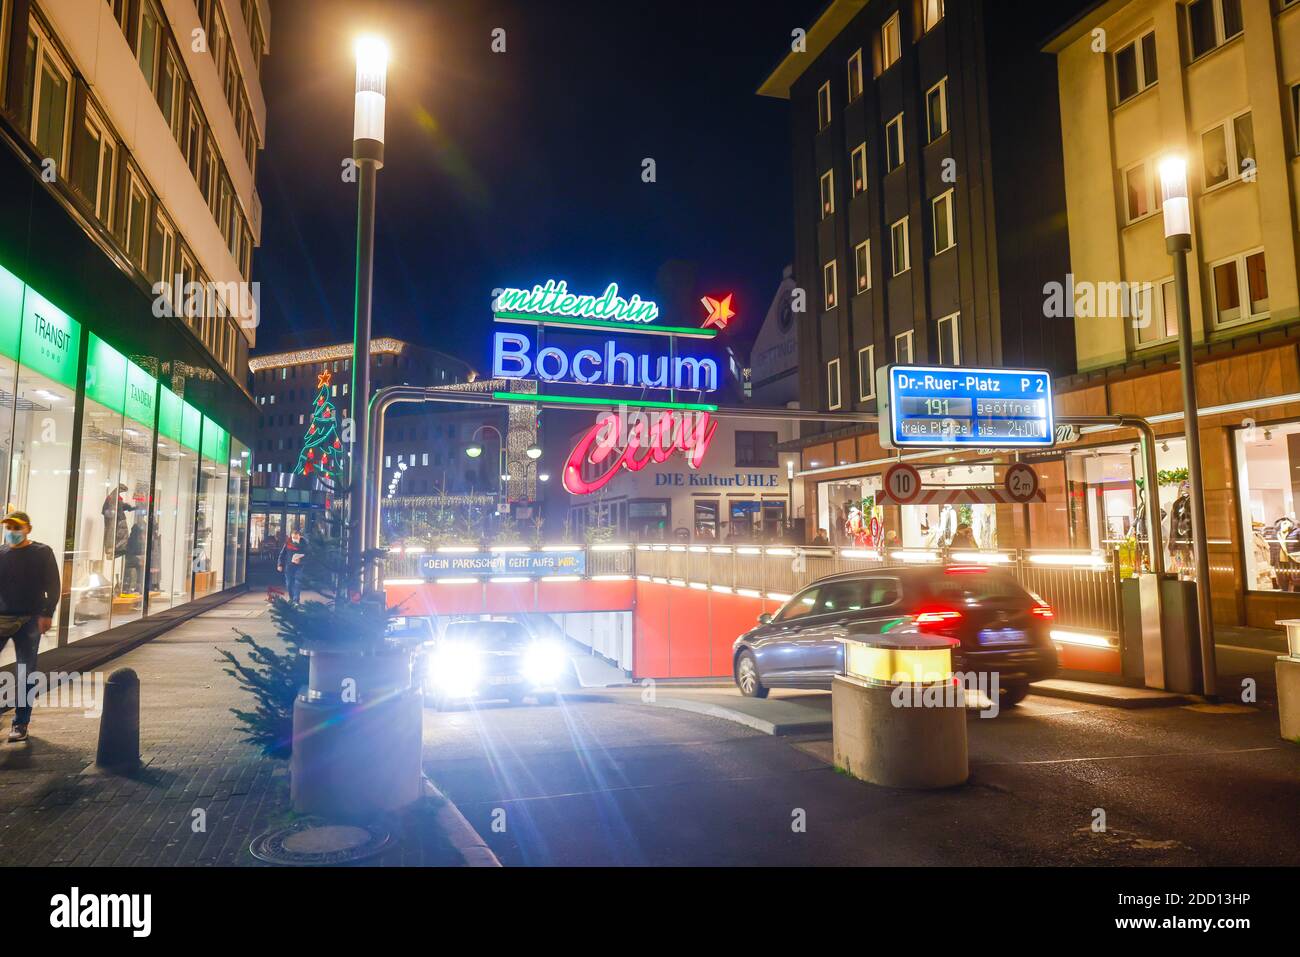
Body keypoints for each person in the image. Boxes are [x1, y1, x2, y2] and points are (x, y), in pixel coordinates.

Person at [0, 510, 62, 743]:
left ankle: (20, 722)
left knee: (26, 671)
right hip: (2, 618)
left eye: (17, 528)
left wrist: (47, 613)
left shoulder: (41, 552)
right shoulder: (1, 553)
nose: (12, 532)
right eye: (9, 527)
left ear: (28, 529)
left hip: (29, 621)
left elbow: (53, 586)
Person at [277, 530, 308, 603]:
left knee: (297, 582)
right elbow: (282, 554)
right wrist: (280, 564)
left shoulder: (304, 543)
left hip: (300, 566)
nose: (294, 539)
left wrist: (301, 560)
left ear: (299, 536)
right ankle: (292, 598)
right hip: (289, 566)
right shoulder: (288, 543)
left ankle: (296, 601)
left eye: (296, 537)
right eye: (293, 537)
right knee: (289, 583)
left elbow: (309, 554)